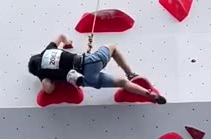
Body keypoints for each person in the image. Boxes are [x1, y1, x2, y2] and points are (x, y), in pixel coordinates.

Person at [28, 34, 167, 104]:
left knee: (121, 83)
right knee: (112, 47)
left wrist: (50, 80)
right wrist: (68, 44)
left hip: (87, 80)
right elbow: (61, 37)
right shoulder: (48, 50)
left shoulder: (41, 73)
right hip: (88, 62)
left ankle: (146, 93)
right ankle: (133, 76)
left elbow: (48, 88)